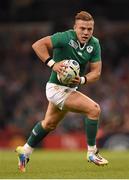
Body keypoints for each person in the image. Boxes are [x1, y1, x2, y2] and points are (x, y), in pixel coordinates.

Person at [16, 10, 108, 172]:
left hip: (71, 88)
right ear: (75, 28)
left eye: (89, 29)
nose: (86, 32)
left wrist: (82, 79)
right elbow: (37, 45)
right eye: (82, 28)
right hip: (56, 88)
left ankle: (25, 150)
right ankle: (92, 152)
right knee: (94, 110)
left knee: (49, 124)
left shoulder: (94, 44)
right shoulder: (65, 37)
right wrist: (53, 64)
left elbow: (96, 73)